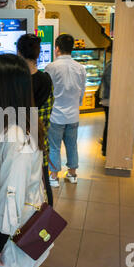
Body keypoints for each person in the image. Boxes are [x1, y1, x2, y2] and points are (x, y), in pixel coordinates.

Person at [0, 54, 49, 267]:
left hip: (15, 230)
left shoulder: (15, 137)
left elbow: (12, 194)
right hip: (22, 222)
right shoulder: (19, 122)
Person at [17, 34, 54, 205]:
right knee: (43, 187)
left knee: (20, 191)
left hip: (18, 148)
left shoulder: (16, 83)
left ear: (19, 53)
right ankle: (43, 225)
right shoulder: (46, 80)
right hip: (39, 143)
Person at [45, 34, 86, 185]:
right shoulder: (80, 68)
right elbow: (82, 91)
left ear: (57, 48)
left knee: (54, 147)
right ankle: (73, 174)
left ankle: (54, 176)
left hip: (56, 114)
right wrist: (77, 104)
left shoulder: (51, 67)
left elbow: (47, 92)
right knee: (72, 145)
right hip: (73, 114)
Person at [100, 43, 112, 157]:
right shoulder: (112, 64)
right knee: (110, 124)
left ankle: (106, 147)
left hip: (108, 99)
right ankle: (105, 148)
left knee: (109, 123)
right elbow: (110, 82)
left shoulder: (111, 63)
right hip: (109, 99)